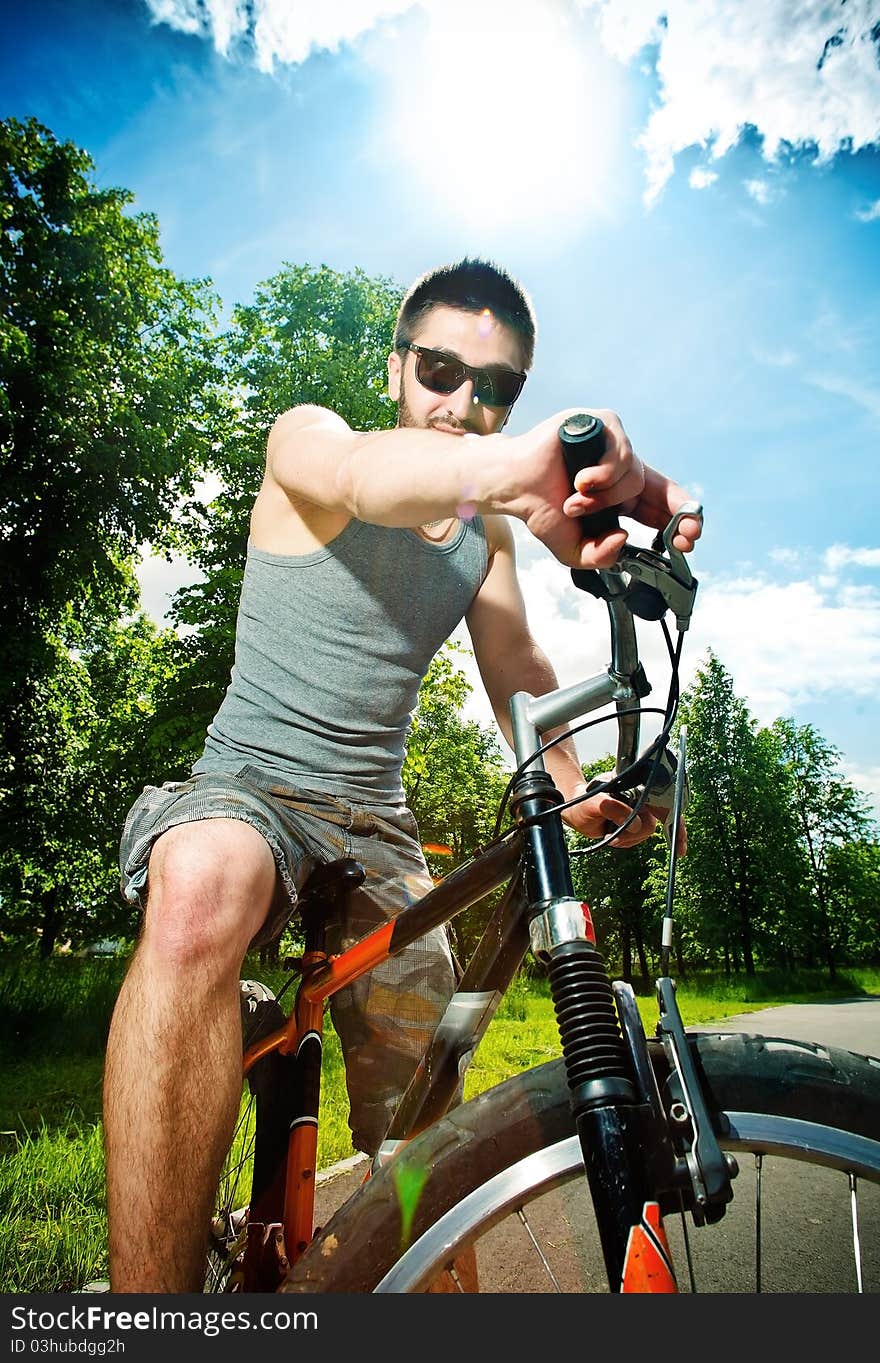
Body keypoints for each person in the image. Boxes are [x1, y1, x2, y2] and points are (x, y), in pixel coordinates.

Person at [104, 257, 702, 1292]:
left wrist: (577, 778)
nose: (461, 403)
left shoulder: (489, 536)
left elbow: (517, 670)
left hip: (376, 827)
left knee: (428, 1120)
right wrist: (525, 460)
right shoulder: (314, 438)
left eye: (496, 388)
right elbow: (360, 482)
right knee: (201, 882)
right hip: (249, 784)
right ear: (395, 369)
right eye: (438, 369)